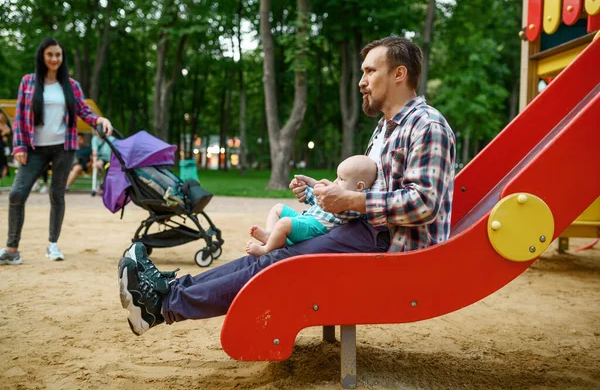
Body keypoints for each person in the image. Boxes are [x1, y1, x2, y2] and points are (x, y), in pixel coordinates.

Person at [117, 36, 456, 336]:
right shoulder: (386, 128)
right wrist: (330, 190)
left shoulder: (427, 126)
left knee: (277, 265)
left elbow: (424, 204)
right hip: (367, 231)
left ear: (399, 74)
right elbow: (373, 189)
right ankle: (165, 293)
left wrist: (351, 200)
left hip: (396, 250)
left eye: (370, 72)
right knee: (272, 256)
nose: (361, 81)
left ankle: (163, 304)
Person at [0, 38, 113, 265]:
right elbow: (21, 117)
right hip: (34, 149)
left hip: (63, 148)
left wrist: (99, 118)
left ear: (62, 58)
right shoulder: (28, 82)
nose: (54, 59)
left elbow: (83, 111)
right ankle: (12, 250)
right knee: (17, 193)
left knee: (56, 194)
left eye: (58, 55)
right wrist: (19, 146)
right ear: (42, 56)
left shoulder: (71, 85)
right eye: (50, 54)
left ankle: (53, 245)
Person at [246, 155, 377, 257]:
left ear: (359, 186)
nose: (335, 182)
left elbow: (335, 207)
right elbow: (316, 199)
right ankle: (270, 234)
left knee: (284, 223)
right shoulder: (340, 192)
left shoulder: (353, 204)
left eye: (341, 179)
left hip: (315, 229)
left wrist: (325, 191)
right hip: (306, 219)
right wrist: (306, 188)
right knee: (278, 208)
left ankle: (266, 249)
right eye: (337, 177)